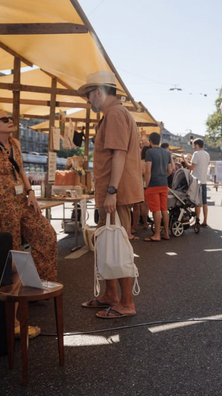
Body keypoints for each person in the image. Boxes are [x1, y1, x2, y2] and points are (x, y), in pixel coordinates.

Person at [0, 109, 58, 338]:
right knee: (14, 254)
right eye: (4, 120)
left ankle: (31, 288)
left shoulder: (14, 144)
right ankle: (14, 321)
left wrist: (31, 193)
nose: (10, 121)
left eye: (10, 118)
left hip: (21, 201)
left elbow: (21, 171)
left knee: (46, 235)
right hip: (1, 203)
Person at [78, 70, 143, 319]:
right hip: (114, 192)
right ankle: (111, 295)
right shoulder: (115, 114)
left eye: (88, 95)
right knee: (110, 243)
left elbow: (119, 154)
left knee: (118, 246)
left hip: (116, 192)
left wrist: (112, 191)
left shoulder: (115, 113)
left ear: (99, 92)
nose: (88, 100)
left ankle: (126, 303)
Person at [143, 132, 172, 242]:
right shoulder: (166, 153)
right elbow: (170, 171)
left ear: (150, 141)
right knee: (164, 209)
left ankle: (156, 235)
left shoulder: (149, 152)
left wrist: (146, 184)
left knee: (156, 210)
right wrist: (163, 176)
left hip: (153, 184)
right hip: (163, 184)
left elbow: (148, 171)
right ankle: (166, 233)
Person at [188, 138, 210, 227]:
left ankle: (197, 221)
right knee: (204, 202)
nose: (193, 147)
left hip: (196, 181)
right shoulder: (207, 154)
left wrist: (185, 161)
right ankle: (205, 221)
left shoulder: (196, 154)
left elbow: (191, 167)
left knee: (197, 202)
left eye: (193, 145)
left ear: (197, 145)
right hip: (204, 181)